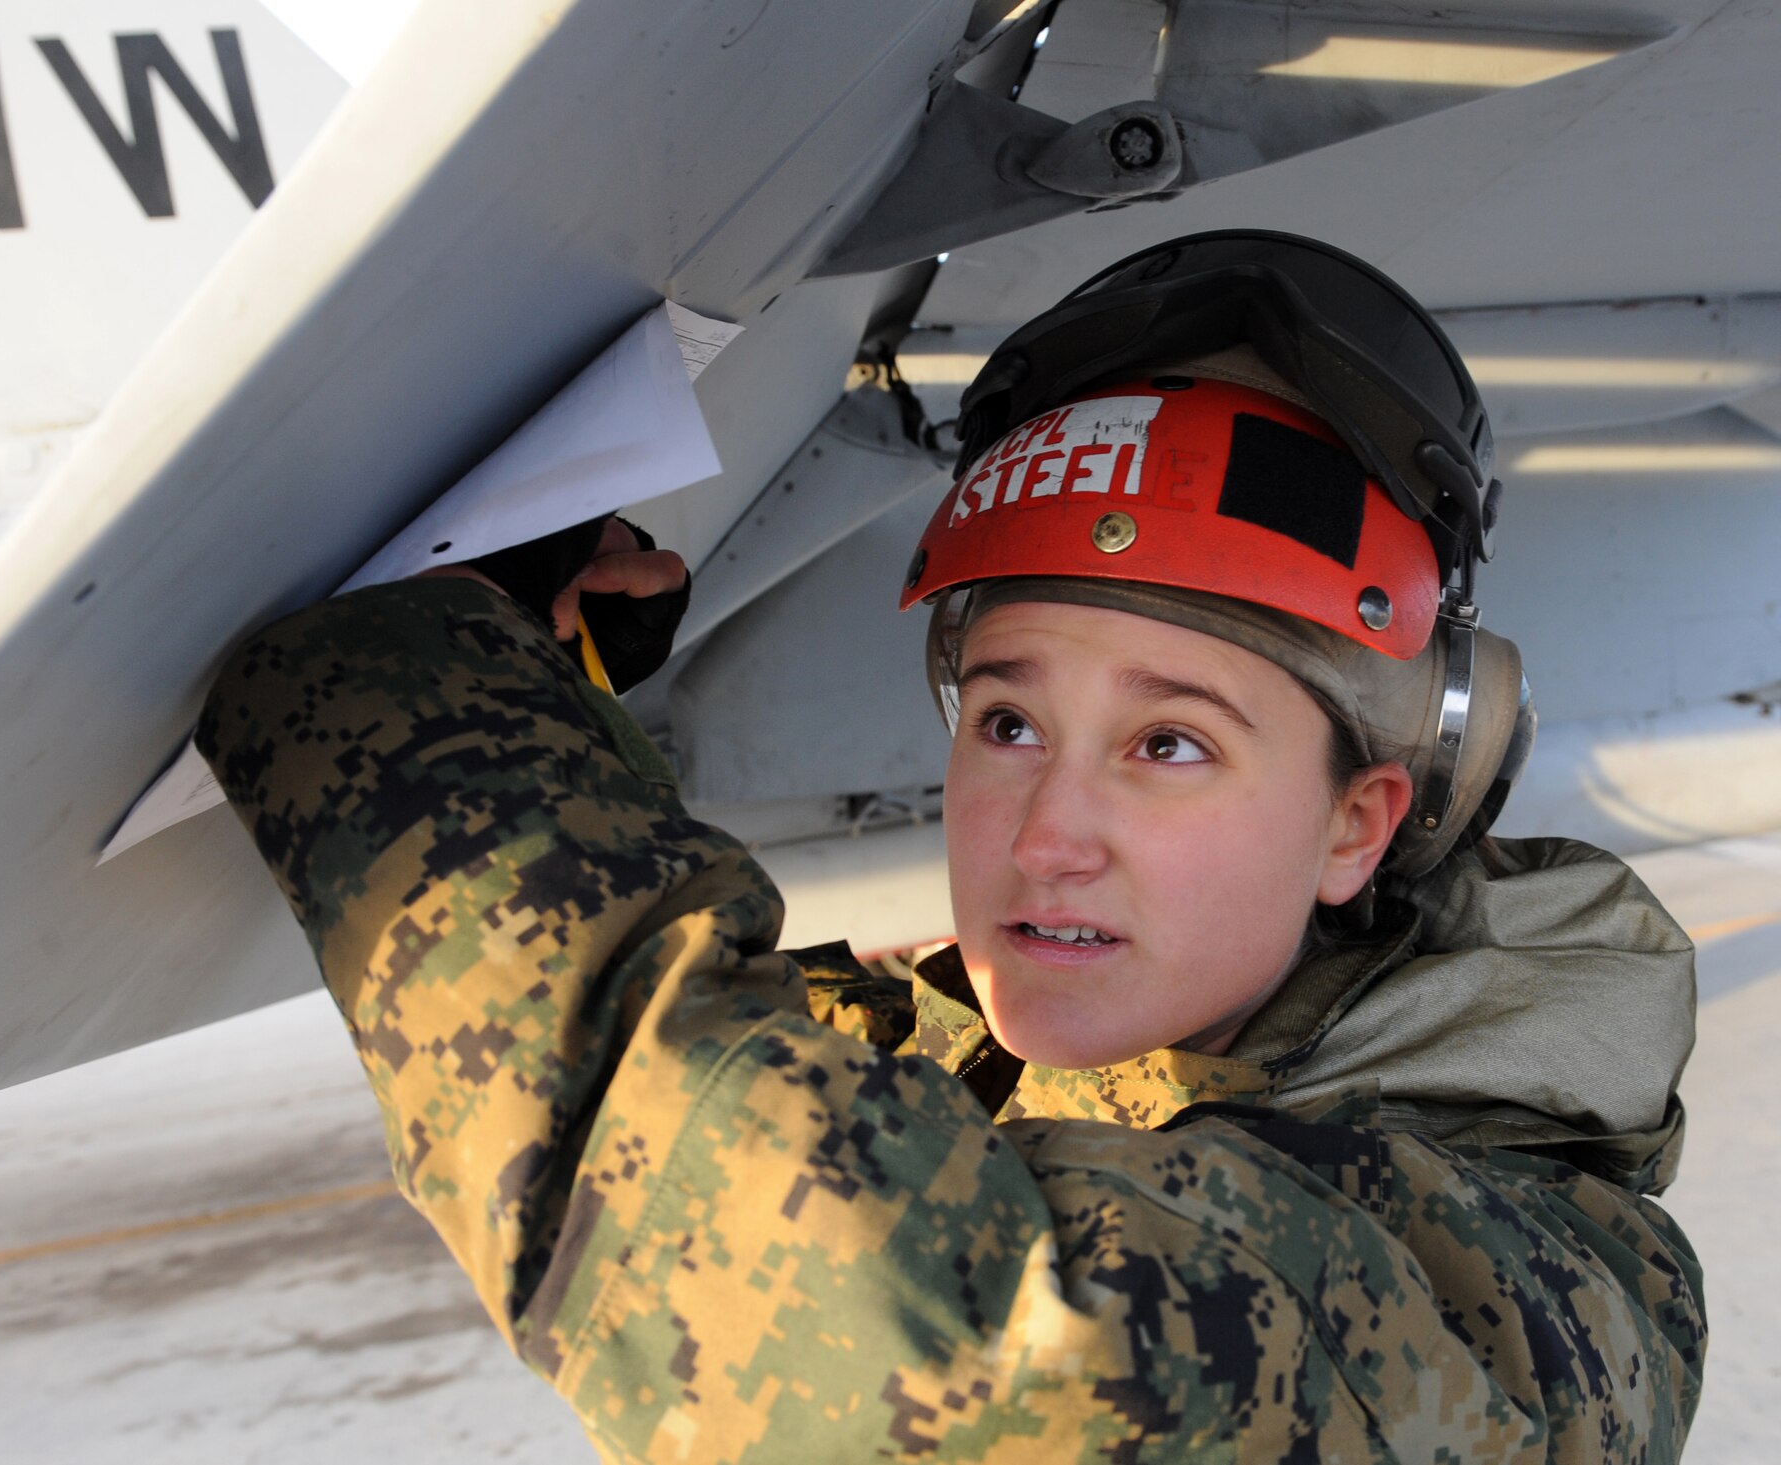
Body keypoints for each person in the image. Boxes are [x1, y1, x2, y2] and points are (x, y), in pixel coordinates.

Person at [197, 231, 1705, 1460]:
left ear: (1355, 824)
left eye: (1169, 743)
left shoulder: (1531, 1294)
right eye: (1006, 722)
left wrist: (413, 698)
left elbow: (949, 1371)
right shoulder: (994, 1057)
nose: (1047, 834)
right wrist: (541, 682)